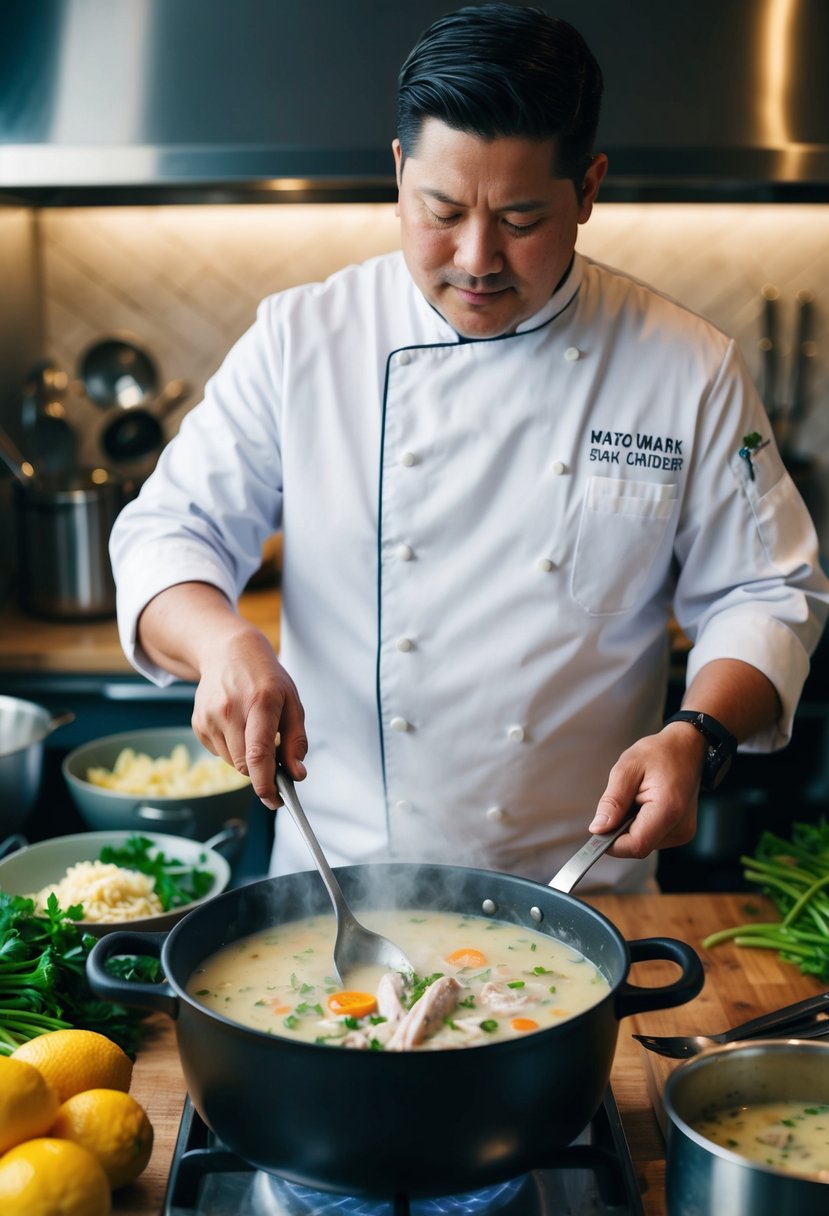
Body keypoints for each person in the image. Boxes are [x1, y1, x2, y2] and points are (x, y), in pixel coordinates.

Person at [110, 3, 829, 892]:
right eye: (440, 211)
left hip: (580, 892)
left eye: (522, 220)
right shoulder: (305, 338)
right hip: (337, 894)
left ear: (589, 189)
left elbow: (769, 588)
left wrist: (699, 735)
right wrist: (222, 645)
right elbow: (165, 534)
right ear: (398, 172)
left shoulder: (684, 366)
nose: (477, 258)